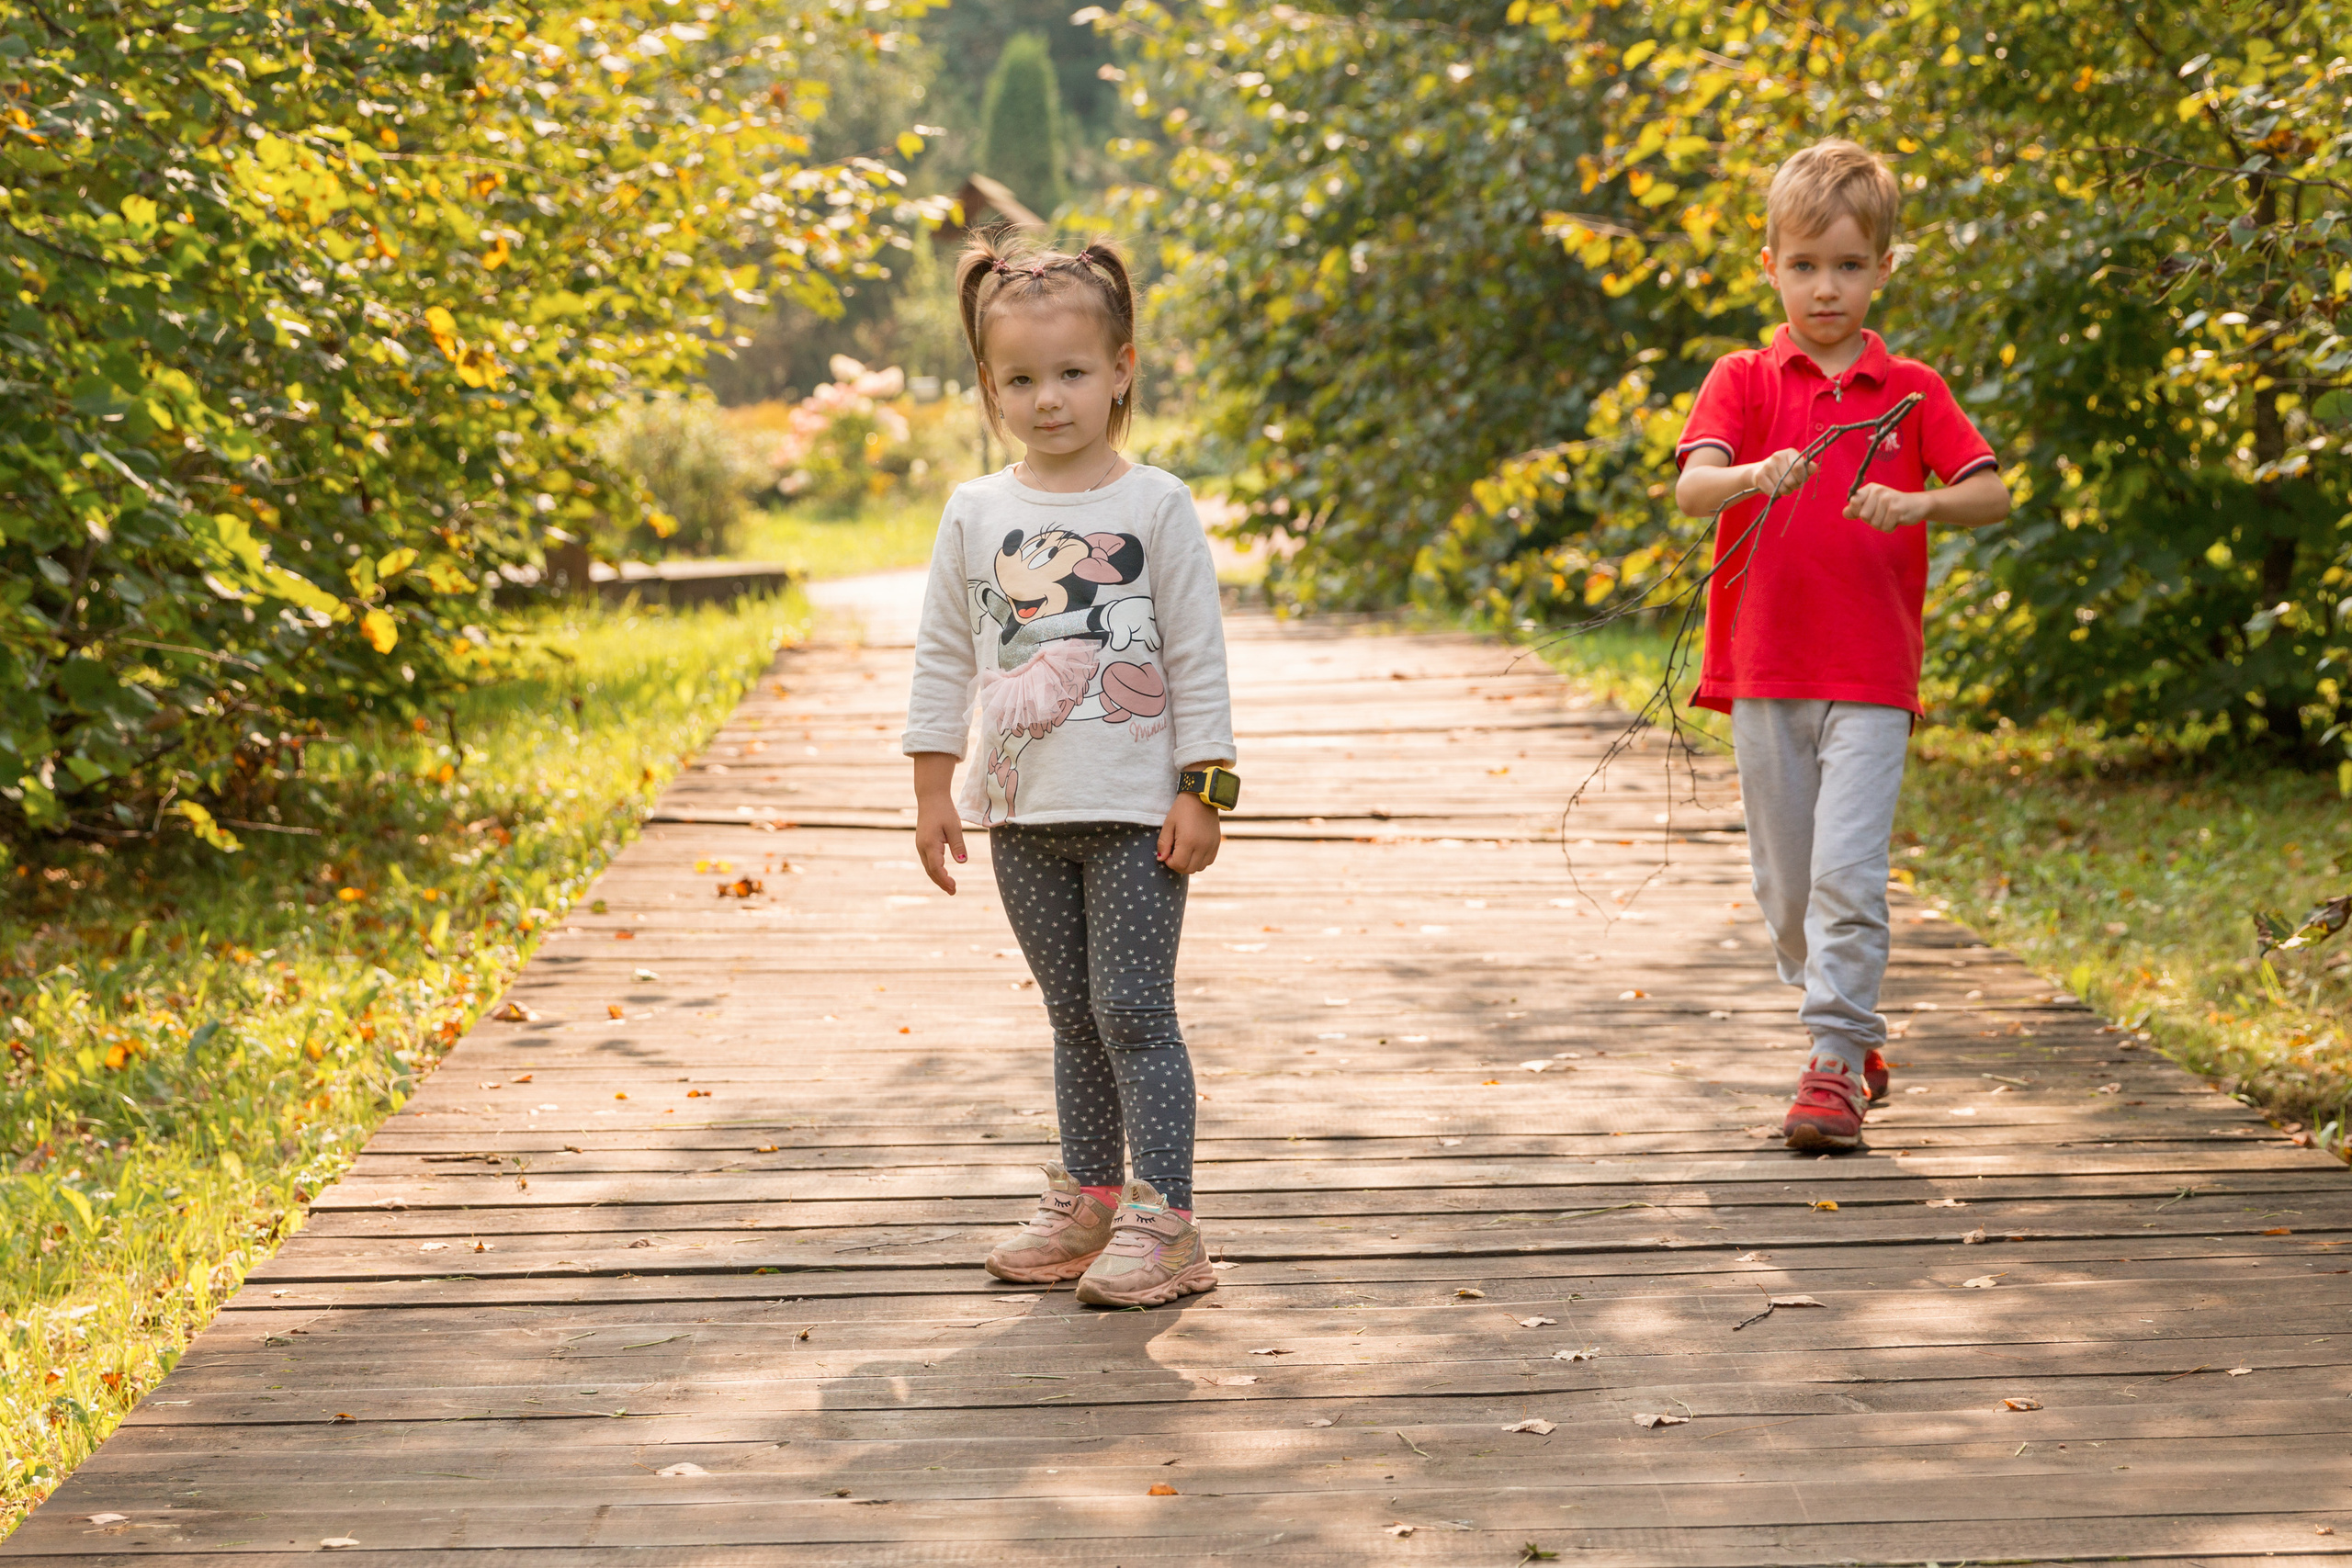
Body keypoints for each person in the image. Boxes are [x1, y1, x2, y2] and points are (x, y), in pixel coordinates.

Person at [901, 231, 1238, 1305]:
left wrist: (1205, 788)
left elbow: (1196, 656)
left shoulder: (1155, 505)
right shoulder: (975, 511)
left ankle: (1167, 1221)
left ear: (1122, 370)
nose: (1048, 400)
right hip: (1021, 810)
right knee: (1072, 1018)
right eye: (1021, 380)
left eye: (1074, 373)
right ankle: (1091, 1202)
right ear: (989, 385)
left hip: (1138, 813)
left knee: (1134, 1012)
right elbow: (943, 654)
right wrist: (932, 786)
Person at [1672, 141, 2011, 1151]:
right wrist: (1752, 474)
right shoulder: (1742, 379)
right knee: (1787, 892)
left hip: (1870, 677)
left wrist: (1919, 502)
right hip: (1764, 672)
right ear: (1770, 267)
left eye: (1850, 265)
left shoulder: (1910, 389)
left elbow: (1990, 494)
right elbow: (1692, 487)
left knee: (1847, 878)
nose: (1827, 288)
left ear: (1883, 269)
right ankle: (1848, 1026)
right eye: (1806, 265)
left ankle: (1830, 1060)